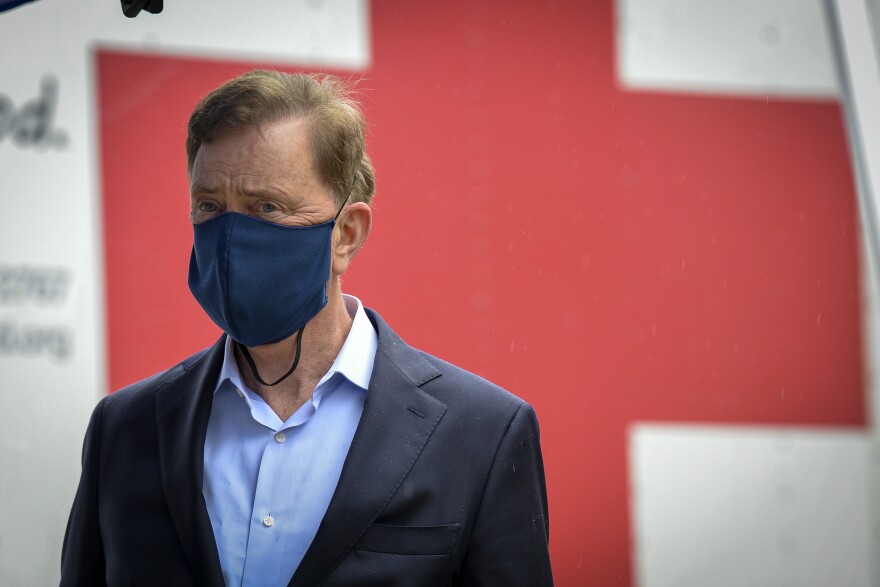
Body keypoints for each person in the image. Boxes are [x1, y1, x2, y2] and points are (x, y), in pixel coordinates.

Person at [61, 70, 552, 586]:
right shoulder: (125, 430)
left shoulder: (481, 435)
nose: (231, 238)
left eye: (266, 207)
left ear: (346, 235)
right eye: (209, 206)